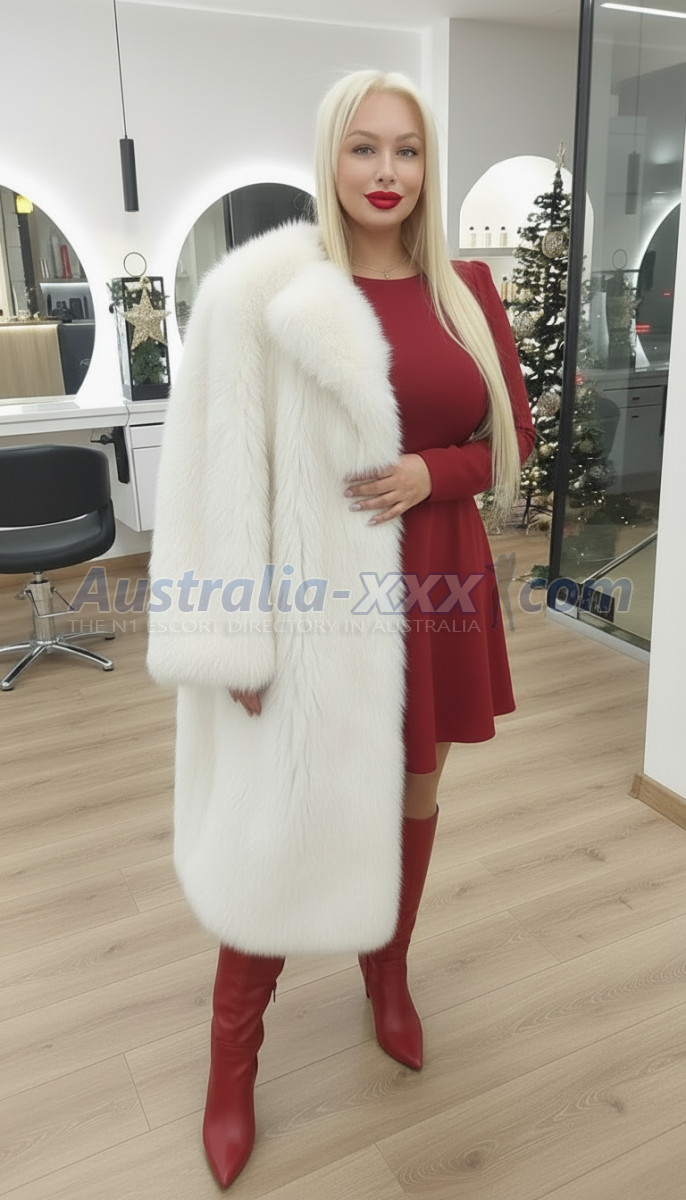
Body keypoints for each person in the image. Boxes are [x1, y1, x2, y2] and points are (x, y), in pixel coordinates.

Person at [147, 69, 535, 1190]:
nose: (386, 172)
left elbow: (506, 441)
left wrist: (431, 472)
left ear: (427, 164)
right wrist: (237, 636)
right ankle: (232, 1062)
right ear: (330, 156)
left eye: (406, 150)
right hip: (316, 601)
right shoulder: (268, 291)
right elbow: (224, 476)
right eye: (364, 148)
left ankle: (387, 971)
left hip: (440, 581)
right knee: (285, 816)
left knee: (415, 792)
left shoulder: (466, 289)